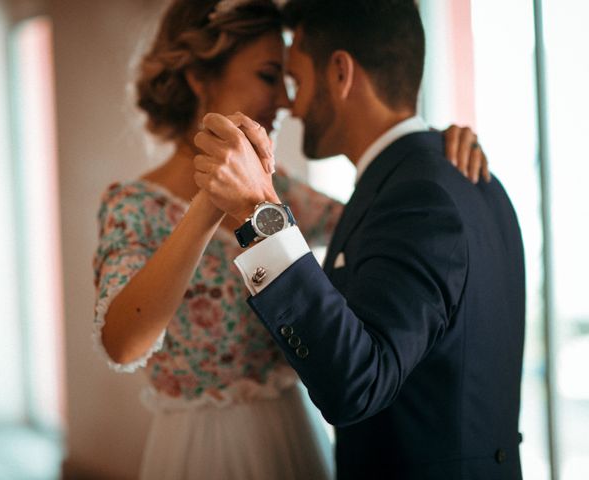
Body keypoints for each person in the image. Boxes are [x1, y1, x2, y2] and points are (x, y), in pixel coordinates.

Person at [92, 0, 489, 479]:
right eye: (268, 76)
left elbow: (391, 226)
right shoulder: (132, 207)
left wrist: (426, 149)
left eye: (287, 78)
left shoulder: (287, 197)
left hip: (294, 440)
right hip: (201, 453)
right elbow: (124, 345)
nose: (285, 98)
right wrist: (211, 202)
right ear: (200, 78)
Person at [193, 1, 526, 479]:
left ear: (341, 73)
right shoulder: (459, 176)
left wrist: (257, 214)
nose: (292, 103)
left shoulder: (417, 194)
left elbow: (359, 384)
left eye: (298, 79)